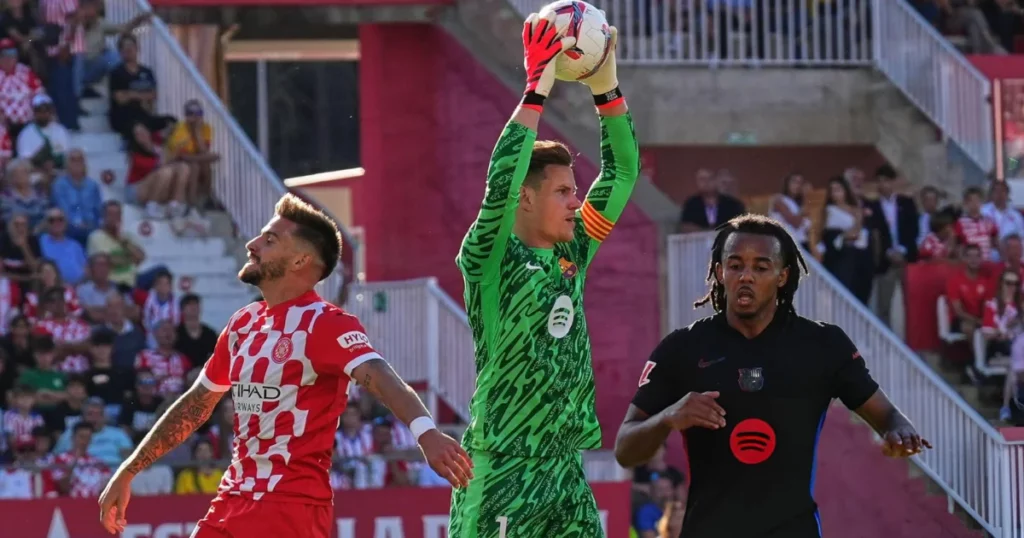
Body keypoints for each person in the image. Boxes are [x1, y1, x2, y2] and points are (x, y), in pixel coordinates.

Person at [98, 193, 472, 536]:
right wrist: (130, 469)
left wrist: (426, 432)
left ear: (299, 260)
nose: (252, 244)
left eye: (270, 240)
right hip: (231, 500)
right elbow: (197, 403)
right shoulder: (243, 324)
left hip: (290, 508)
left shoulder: (324, 323)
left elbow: (381, 377)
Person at [614, 214, 932, 538]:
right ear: (720, 272)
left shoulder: (823, 345)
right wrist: (668, 416)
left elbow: (887, 415)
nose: (746, 276)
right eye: (735, 265)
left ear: (783, 276)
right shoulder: (682, 348)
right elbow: (625, 449)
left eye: (761, 267)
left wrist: (900, 431)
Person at [448, 12, 638, 538]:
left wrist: (607, 88)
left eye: (574, 192)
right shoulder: (489, 258)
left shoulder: (572, 253)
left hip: (564, 468)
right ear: (525, 198)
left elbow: (623, 171)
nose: (577, 203)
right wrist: (538, 87)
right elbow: (498, 185)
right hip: (501, 466)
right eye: (563, 192)